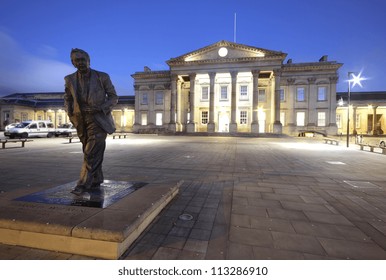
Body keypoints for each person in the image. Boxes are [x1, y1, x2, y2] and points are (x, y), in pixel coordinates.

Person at [64, 48, 118, 195]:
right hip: (81, 121)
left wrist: (100, 108)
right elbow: (68, 98)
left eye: (83, 59)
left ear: (89, 61)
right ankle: (96, 179)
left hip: (99, 119)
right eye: (77, 60)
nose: (80, 63)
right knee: (91, 151)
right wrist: (70, 114)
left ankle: (83, 184)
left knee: (90, 152)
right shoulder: (69, 79)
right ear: (73, 63)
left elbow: (113, 97)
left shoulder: (102, 77)